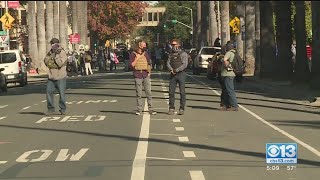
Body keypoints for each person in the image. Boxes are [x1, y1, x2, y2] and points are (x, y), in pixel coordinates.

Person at [130, 40, 157, 115]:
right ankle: (139, 109)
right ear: (139, 45)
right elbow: (131, 65)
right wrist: (137, 58)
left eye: (145, 45)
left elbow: (149, 63)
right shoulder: (133, 54)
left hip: (145, 74)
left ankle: (150, 109)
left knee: (148, 92)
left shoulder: (146, 54)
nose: (144, 47)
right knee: (139, 93)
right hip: (137, 74)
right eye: (143, 45)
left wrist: (149, 73)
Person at [43, 38, 68, 115]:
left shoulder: (62, 52)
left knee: (61, 93)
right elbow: (46, 61)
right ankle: (51, 109)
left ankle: (63, 109)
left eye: (53, 44)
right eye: (51, 44)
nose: (52, 45)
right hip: (51, 77)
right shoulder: (50, 52)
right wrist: (52, 58)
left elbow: (60, 63)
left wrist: (56, 55)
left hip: (60, 76)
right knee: (49, 92)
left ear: (57, 44)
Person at [167, 39, 188, 115]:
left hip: (181, 74)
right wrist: (171, 69)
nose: (173, 46)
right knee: (171, 92)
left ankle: (182, 108)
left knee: (182, 92)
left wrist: (177, 70)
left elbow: (185, 64)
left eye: (174, 44)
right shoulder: (171, 54)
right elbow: (168, 63)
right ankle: (171, 108)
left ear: (178, 45)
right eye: (172, 45)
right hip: (172, 75)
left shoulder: (183, 54)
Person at [220, 42, 239, 111]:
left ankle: (234, 105)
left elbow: (225, 60)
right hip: (232, 74)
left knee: (230, 90)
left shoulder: (228, 53)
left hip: (227, 74)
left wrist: (222, 59)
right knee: (226, 90)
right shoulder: (235, 53)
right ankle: (226, 105)